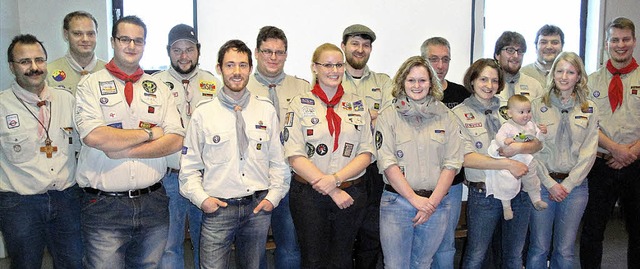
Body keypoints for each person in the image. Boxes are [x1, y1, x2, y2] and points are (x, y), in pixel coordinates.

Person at [74, 15, 184, 268]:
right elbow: (95, 136)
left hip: (153, 201)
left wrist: (121, 150)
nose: (132, 46)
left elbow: (176, 139)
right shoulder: (90, 85)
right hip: (104, 205)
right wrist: (150, 133)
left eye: (138, 40)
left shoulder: (159, 88)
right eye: (125, 39)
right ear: (113, 41)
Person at [179, 39, 289, 269]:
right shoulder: (203, 114)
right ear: (219, 68)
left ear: (250, 68)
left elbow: (279, 162)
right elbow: (189, 168)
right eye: (230, 65)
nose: (236, 72)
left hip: (257, 209)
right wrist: (203, 200)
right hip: (218, 209)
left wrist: (273, 197)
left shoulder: (266, 110)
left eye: (242, 65)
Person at [283, 43, 374, 269]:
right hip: (308, 196)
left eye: (339, 65)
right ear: (314, 67)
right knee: (313, 260)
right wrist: (333, 189)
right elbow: (294, 155)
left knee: (342, 259)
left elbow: (366, 152)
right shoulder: (299, 103)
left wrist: (336, 180)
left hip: (350, 193)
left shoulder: (358, 103)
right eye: (327, 65)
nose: (334, 71)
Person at [0, 34, 82, 269]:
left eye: (39, 60)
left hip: (66, 198)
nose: (34, 67)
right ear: (11, 67)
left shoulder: (66, 100)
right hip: (20, 203)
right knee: (26, 264)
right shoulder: (2, 105)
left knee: (73, 263)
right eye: (25, 61)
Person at [451, 58, 541, 269]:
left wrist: (518, 148)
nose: (489, 86)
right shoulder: (457, 114)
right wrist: (507, 164)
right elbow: (465, 157)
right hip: (485, 195)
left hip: (519, 192)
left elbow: (536, 144)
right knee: (476, 256)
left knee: (513, 256)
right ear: (472, 81)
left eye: (494, 80)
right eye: (483, 79)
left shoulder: (510, 107)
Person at [375, 56, 462, 268]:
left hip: (437, 205)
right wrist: (416, 200)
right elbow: (387, 163)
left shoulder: (446, 116)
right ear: (402, 82)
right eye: (411, 80)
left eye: (422, 80)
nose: (417, 86)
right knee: (396, 266)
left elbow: (452, 163)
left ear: (431, 82)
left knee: (423, 264)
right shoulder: (388, 116)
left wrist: (430, 203)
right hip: (397, 204)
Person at [153, 23, 221, 269]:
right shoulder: (155, 85)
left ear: (199, 51)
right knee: (169, 245)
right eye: (177, 50)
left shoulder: (214, 83)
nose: (184, 56)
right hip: (169, 177)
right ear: (168, 51)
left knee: (208, 243)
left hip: (206, 177)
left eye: (189, 49)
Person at [527, 51, 598, 269]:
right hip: (542, 184)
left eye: (570, 72)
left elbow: (589, 151)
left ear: (579, 76)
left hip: (574, 187)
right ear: (552, 74)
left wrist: (567, 185)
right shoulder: (537, 106)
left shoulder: (589, 108)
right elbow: (532, 149)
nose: (564, 77)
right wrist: (550, 183)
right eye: (560, 71)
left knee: (565, 250)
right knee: (538, 247)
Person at [247, 25, 310, 269]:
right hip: (255, 179)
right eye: (267, 51)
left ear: (286, 54)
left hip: (292, 178)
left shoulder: (303, 88)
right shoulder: (242, 87)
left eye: (279, 52)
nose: (273, 58)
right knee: (255, 248)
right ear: (256, 52)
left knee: (290, 245)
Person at [580, 17, 640, 269]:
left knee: (638, 232)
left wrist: (631, 152)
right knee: (592, 230)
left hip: (637, 165)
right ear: (606, 44)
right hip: (601, 164)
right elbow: (586, 123)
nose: (620, 45)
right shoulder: (590, 81)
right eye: (615, 39)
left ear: (634, 42)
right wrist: (615, 149)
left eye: (626, 39)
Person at [340, 24, 392, 269]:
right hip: (343, 169)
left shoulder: (383, 81)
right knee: (343, 236)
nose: (360, 50)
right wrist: (370, 115)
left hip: (375, 170)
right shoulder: (332, 79)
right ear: (343, 47)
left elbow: (392, 118)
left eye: (366, 45)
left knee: (371, 236)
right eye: (355, 44)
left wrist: (364, 117)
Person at [420, 36, 470, 269]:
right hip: (421, 183)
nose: (440, 66)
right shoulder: (415, 92)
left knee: (446, 245)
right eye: (433, 59)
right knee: (420, 245)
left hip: (452, 183)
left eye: (445, 59)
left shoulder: (462, 95)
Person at [486, 95, 547, 220]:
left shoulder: (531, 125)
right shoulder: (507, 126)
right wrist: (505, 141)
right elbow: (499, 138)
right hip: (511, 160)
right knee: (507, 181)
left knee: (532, 178)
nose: (526, 115)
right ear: (510, 113)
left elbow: (539, 140)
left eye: (528, 111)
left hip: (525, 157)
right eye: (521, 112)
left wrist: (543, 132)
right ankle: (506, 206)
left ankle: (536, 199)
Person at [47, 11, 106, 95]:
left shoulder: (109, 72)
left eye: (90, 34)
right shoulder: (48, 73)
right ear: (66, 34)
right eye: (78, 34)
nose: (85, 39)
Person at [494, 31, 545, 101]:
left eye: (520, 51)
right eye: (510, 50)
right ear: (497, 55)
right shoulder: (489, 85)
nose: (516, 56)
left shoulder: (534, 86)